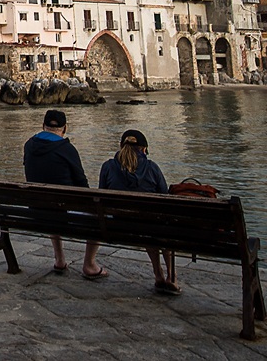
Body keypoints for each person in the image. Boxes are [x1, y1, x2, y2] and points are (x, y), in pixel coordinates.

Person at [22, 109, 103, 279]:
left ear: (43, 126)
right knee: (97, 215)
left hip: (35, 210)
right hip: (63, 212)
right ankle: (89, 264)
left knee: (52, 202)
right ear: (64, 128)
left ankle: (59, 259)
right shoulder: (67, 149)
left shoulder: (29, 145)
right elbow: (82, 183)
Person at [99, 129, 181, 295]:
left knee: (148, 225)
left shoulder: (108, 166)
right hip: (148, 224)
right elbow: (164, 198)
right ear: (144, 150)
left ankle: (158, 274)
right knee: (160, 225)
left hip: (118, 226)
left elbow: (101, 196)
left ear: (121, 147)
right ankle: (171, 277)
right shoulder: (151, 167)